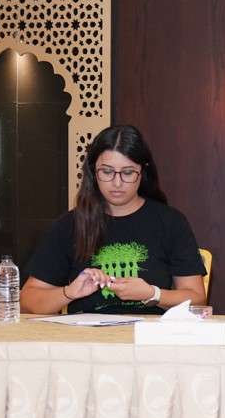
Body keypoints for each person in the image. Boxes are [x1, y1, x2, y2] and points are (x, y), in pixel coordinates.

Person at [21, 125, 206, 314]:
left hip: (148, 332)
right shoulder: (69, 226)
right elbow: (27, 301)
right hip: (86, 332)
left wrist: (153, 294)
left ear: (142, 172)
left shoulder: (170, 222)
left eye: (128, 173)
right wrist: (69, 293)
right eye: (107, 172)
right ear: (93, 172)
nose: (117, 183)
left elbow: (197, 298)